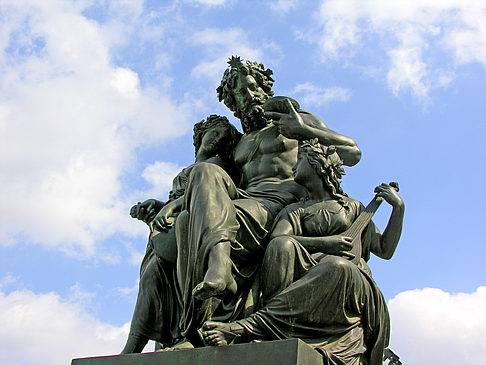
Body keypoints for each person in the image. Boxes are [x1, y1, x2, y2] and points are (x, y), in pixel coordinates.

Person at [174, 56, 362, 345]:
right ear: (233, 104)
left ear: (265, 89)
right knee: (192, 205)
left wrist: (304, 132)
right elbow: (206, 184)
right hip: (243, 201)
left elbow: (352, 153)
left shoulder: (297, 121)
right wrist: (173, 204)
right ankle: (198, 327)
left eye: (253, 88)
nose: (249, 97)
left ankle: (218, 271)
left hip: (282, 205)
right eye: (240, 94)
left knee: (197, 222)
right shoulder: (238, 142)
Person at [201, 139, 405, 365]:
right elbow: (278, 239)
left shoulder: (353, 207)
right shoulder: (295, 210)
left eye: (300, 159)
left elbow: (385, 250)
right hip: (307, 275)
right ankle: (273, 326)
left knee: (337, 267)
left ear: (318, 164)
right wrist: (326, 244)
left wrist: (398, 208)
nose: (293, 166)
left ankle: (248, 327)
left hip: (348, 281)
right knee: (281, 246)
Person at [121, 115, 241, 353]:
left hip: (197, 228)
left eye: (222, 138)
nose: (217, 140)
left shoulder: (220, 166)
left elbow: (208, 201)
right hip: (172, 235)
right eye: (214, 133)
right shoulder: (187, 169)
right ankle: (134, 344)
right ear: (201, 134)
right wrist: (157, 208)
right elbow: (176, 202)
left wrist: (170, 207)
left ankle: (190, 332)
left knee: (184, 225)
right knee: (151, 275)